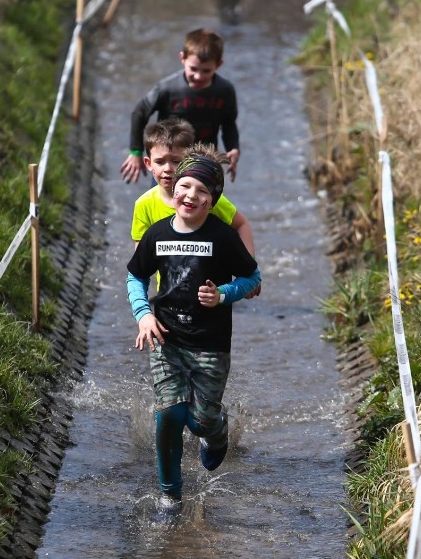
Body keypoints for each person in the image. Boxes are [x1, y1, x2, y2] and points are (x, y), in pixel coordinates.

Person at [126, 148, 260, 510]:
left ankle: (216, 433)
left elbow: (252, 277)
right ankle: (170, 494)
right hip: (165, 338)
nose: (190, 195)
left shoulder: (222, 237)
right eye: (185, 185)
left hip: (210, 345)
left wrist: (224, 295)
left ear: (212, 199)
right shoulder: (156, 235)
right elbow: (136, 275)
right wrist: (143, 314)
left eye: (202, 191)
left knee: (200, 421)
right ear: (174, 191)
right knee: (169, 412)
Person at [120, 28, 241, 184]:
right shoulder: (168, 88)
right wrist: (135, 151)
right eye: (193, 69)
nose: (198, 76)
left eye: (206, 71)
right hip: (169, 163)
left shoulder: (225, 91)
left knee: (203, 204)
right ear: (182, 58)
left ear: (219, 64)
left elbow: (229, 124)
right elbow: (139, 112)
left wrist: (233, 148)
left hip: (204, 163)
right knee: (160, 204)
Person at [132, 118, 254, 257]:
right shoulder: (144, 205)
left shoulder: (207, 201)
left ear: (189, 161)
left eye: (176, 161)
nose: (168, 169)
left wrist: (249, 268)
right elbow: (140, 261)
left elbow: (241, 224)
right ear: (148, 163)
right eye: (160, 162)